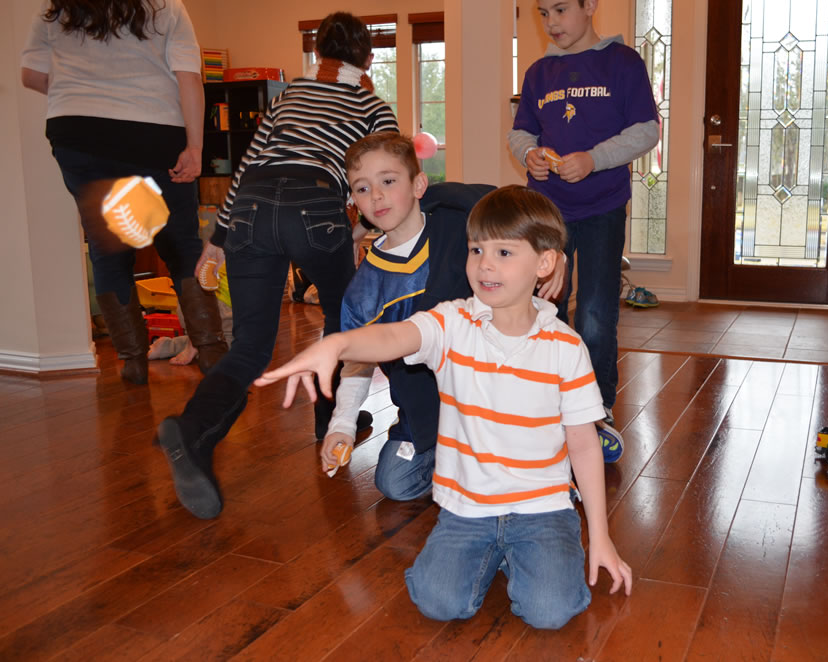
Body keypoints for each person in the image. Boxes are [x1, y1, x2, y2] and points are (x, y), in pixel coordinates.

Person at [256, 185, 632, 629]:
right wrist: (338, 343)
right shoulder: (452, 322)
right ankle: (502, 556)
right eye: (476, 250)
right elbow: (394, 336)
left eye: (504, 253)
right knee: (437, 601)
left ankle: (525, 555)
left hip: (542, 508)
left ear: (545, 263)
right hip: (466, 509)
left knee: (550, 611)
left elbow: (584, 446)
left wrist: (601, 536)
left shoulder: (566, 347)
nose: (485, 264)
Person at [154, 12, 397, 519]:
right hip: (315, 204)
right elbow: (385, 172)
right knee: (344, 322)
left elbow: (247, 164)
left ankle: (193, 429)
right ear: (368, 59)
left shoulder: (290, 94)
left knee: (250, 345)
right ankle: (329, 421)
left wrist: (218, 238)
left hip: (251, 208)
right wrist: (369, 230)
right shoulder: (371, 104)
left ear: (318, 53)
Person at [322, 132, 566, 499]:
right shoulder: (362, 291)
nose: (376, 196)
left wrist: (555, 253)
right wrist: (341, 426)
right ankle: (470, 458)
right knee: (394, 483)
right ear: (353, 200)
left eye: (388, 181)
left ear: (418, 184)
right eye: (362, 188)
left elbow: (521, 220)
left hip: (499, 391)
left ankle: (556, 433)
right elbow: (356, 364)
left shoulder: (462, 226)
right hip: (429, 411)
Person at [21, 0, 228, 384]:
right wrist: (196, 148)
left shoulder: (56, 9)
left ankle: (133, 362)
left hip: (78, 134)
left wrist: (79, 93)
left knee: (108, 249)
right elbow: (189, 78)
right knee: (181, 246)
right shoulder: (165, 5)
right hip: (152, 132)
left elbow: (32, 75)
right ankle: (212, 354)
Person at [508, 0, 659, 462]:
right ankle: (547, 402)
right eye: (543, 13)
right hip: (545, 212)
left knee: (594, 312)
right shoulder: (538, 73)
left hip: (602, 209)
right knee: (544, 307)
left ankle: (595, 410)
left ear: (590, 5)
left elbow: (646, 131)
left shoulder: (622, 62)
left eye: (560, 10)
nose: (551, 22)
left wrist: (594, 159)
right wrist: (529, 154)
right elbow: (520, 132)